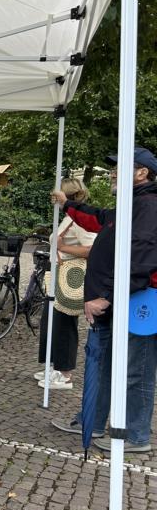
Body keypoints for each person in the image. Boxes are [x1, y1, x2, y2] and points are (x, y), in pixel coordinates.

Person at [51, 147, 157, 453]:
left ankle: (135, 435)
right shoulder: (130, 204)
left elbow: (142, 260)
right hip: (115, 303)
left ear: (141, 173)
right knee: (103, 365)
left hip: (137, 304)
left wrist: (105, 298)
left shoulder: (148, 206)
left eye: (120, 167)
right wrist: (68, 204)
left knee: (136, 370)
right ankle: (93, 422)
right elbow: (97, 219)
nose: (113, 172)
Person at [35, 178, 96, 390]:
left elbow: (91, 249)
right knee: (51, 321)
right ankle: (55, 365)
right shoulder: (70, 218)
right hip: (59, 275)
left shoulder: (79, 221)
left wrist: (65, 248)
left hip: (70, 277)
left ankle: (65, 372)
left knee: (64, 323)